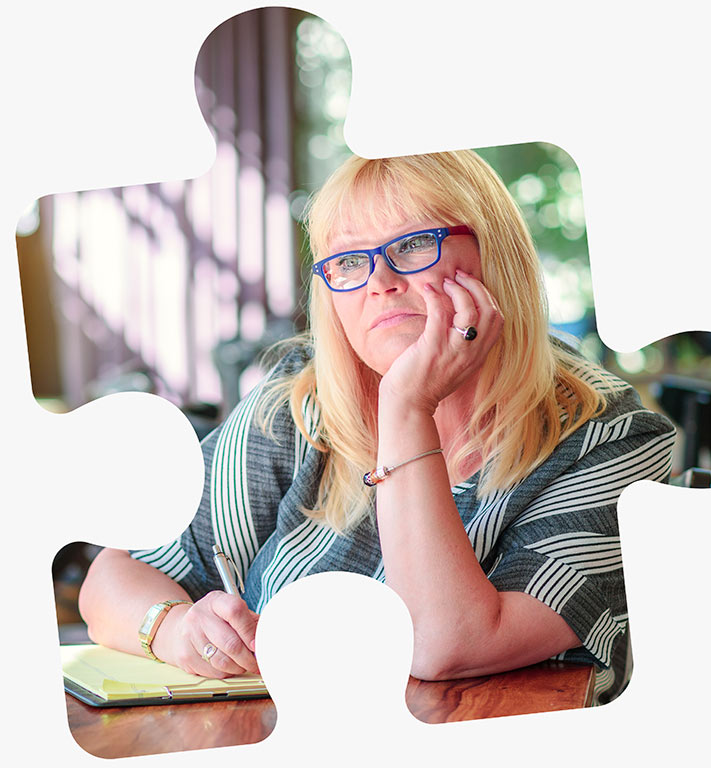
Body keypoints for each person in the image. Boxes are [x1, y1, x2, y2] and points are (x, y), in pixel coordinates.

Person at [79, 149, 675, 704]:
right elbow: (110, 579)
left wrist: (407, 409)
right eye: (347, 260)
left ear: (495, 254)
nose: (379, 281)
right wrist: (177, 628)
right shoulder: (302, 400)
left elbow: (442, 645)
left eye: (414, 244)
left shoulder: (615, 439)